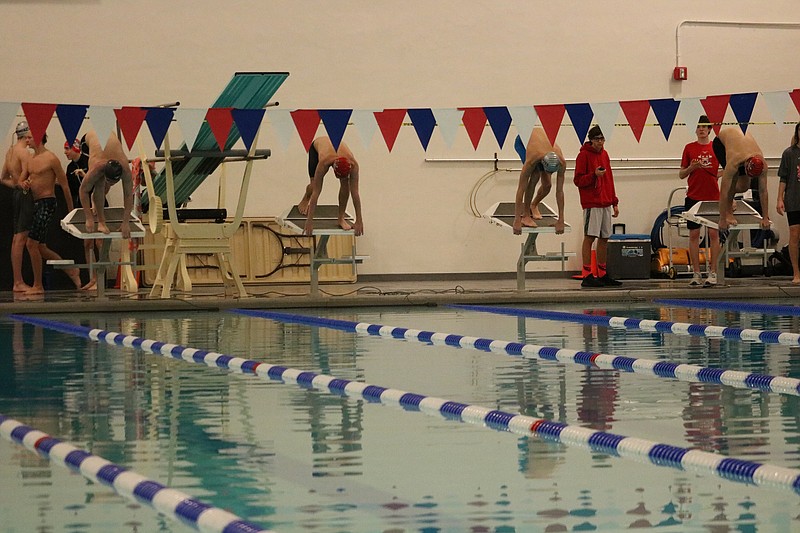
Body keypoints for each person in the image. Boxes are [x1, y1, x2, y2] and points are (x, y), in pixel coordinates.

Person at [20, 134, 81, 294]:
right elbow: (21, 181)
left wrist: (71, 211)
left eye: (29, 137)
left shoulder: (51, 158)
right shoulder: (30, 160)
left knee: (30, 244)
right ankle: (72, 271)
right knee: (41, 247)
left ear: (39, 137)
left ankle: (38, 285)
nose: (27, 140)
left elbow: (65, 186)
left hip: (47, 203)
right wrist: (24, 184)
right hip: (35, 204)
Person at [573, 125, 621, 288]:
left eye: (602, 139)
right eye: (597, 139)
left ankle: (602, 273)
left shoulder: (605, 155)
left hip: (605, 201)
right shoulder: (583, 156)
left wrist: (614, 201)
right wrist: (593, 175)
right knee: (590, 237)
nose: (600, 142)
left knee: (604, 237)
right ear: (591, 140)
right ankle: (587, 274)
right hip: (592, 202)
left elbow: (609, 180)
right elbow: (578, 181)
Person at [679, 115, 720, 287]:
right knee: (694, 235)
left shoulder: (717, 147)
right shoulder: (689, 148)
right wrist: (692, 168)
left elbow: (727, 170)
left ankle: (713, 273)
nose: (702, 129)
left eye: (705, 126)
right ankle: (696, 273)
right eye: (699, 126)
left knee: (713, 235)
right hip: (694, 197)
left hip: (712, 197)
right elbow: (681, 174)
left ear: (710, 129)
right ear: (695, 129)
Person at [298, 136, 363, 236]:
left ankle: (341, 218)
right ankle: (306, 197)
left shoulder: (354, 165)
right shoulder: (323, 162)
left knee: (346, 186)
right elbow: (316, 193)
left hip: (335, 147)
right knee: (314, 185)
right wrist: (309, 221)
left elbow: (355, 194)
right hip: (316, 148)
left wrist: (359, 220)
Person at [712, 127, 770, 232]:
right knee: (732, 180)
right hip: (721, 142)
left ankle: (731, 198)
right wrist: (722, 219)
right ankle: (729, 213)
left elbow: (763, 191)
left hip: (742, 146)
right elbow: (724, 192)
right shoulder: (734, 161)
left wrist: (765, 217)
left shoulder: (763, 164)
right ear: (746, 165)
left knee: (744, 186)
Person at [79, 131, 133, 239]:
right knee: (99, 184)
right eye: (110, 182)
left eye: (114, 182)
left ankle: (96, 202)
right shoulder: (97, 166)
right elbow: (83, 190)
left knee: (103, 185)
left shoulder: (126, 169)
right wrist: (89, 218)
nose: (112, 185)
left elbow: (128, 194)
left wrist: (126, 222)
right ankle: (101, 222)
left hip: (107, 137)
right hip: (87, 141)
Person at [0, 121, 34, 292]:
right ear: (27, 136)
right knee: (21, 239)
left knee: (16, 239)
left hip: (16, 195)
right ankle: (18, 282)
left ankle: (17, 281)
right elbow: (29, 177)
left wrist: (16, 186)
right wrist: (24, 184)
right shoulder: (25, 153)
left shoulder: (10, 152)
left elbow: (3, 177)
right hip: (25, 197)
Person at [512, 128, 566, 235]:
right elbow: (521, 189)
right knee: (535, 175)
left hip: (542, 145)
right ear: (542, 162)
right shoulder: (533, 158)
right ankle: (526, 215)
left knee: (548, 185)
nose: (549, 174)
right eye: (548, 171)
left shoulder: (562, 162)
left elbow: (559, 192)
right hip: (523, 141)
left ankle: (534, 204)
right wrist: (517, 219)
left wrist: (561, 220)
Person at [776, 121, 800, 284]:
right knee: (794, 236)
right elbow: (783, 178)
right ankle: (796, 273)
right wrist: (779, 199)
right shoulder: (789, 153)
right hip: (794, 199)